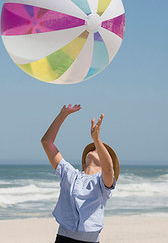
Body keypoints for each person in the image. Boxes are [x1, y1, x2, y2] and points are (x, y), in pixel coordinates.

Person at [41, 104, 120, 243]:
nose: (96, 148)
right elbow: (47, 142)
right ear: (84, 163)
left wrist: (97, 139)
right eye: (94, 148)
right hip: (63, 238)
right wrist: (63, 114)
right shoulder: (70, 174)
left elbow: (108, 170)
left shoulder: (103, 182)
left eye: (100, 150)